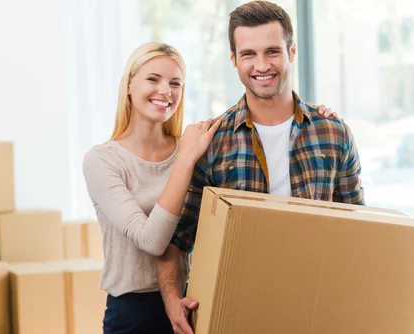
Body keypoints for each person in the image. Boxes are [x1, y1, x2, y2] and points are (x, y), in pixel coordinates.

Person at [156, 2, 365, 334]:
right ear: (233, 59)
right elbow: (177, 240)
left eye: (272, 51)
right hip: (239, 314)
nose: (262, 65)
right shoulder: (211, 142)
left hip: (317, 312)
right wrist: (170, 298)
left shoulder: (333, 133)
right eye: (249, 54)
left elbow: (359, 233)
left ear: (292, 51)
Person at [83, 42, 221, 334]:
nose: (165, 91)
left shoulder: (192, 151)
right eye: (153, 79)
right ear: (130, 85)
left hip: (190, 303)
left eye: (175, 83)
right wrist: (184, 159)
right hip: (133, 313)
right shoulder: (103, 161)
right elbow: (151, 241)